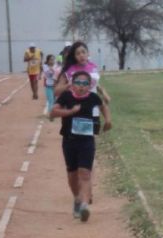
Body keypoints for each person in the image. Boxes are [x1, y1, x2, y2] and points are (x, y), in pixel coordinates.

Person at [49, 70, 112, 222]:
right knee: (72, 175)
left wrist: (108, 121)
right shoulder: (67, 96)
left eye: (85, 84)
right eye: (78, 83)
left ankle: (84, 205)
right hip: (69, 141)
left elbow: (103, 106)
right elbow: (53, 112)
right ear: (72, 84)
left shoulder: (92, 97)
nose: (81, 86)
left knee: (85, 173)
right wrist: (70, 111)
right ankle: (77, 198)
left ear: (89, 85)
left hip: (87, 141)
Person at [54, 41, 111, 106]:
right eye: (78, 54)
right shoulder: (69, 70)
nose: (81, 55)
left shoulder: (93, 67)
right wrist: (68, 85)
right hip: (74, 107)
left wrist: (104, 93)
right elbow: (56, 92)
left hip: (91, 106)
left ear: (88, 53)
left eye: (83, 52)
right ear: (74, 56)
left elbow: (94, 84)